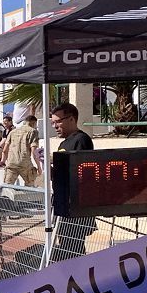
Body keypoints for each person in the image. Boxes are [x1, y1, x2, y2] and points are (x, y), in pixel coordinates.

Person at [50, 102, 95, 261]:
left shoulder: (81, 140)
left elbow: (82, 173)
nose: (55, 126)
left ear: (71, 119)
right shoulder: (64, 143)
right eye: (53, 122)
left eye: (58, 121)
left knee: (74, 249)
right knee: (66, 248)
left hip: (75, 207)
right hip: (62, 204)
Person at [2, 115, 39, 186]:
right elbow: (34, 152)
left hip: (11, 163)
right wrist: (39, 167)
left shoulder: (12, 132)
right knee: (30, 186)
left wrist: (4, 162)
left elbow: (4, 150)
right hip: (25, 163)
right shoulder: (33, 131)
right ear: (34, 123)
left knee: (7, 188)